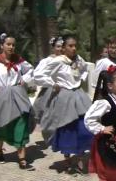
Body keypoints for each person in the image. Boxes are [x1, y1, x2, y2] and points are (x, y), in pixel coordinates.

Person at [34, 34, 93, 173]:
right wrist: (52, 83)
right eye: (70, 46)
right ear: (64, 48)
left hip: (78, 95)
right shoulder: (58, 61)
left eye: (75, 46)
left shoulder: (78, 59)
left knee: (83, 125)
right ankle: (67, 157)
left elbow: (85, 69)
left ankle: (79, 156)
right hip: (64, 96)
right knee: (66, 127)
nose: (73, 48)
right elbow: (38, 74)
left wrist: (81, 78)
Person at [0, 33, 35, 170]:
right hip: (1, 96)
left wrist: (24, 80)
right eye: (8, 44)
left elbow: (31, 71)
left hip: (17, 95)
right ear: (1, 46)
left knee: (21, 121)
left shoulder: (19, 61)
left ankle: (22, 159)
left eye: (13, 44)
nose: (11, 47)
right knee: (1, 124)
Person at [33, 36, 63, 123]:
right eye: (58, 46)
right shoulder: (47, 61)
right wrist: (52, 83)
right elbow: (37, 75)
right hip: (51, 91)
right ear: (53, 48)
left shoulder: (67, 60)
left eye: (62, 46)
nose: (60, 49)